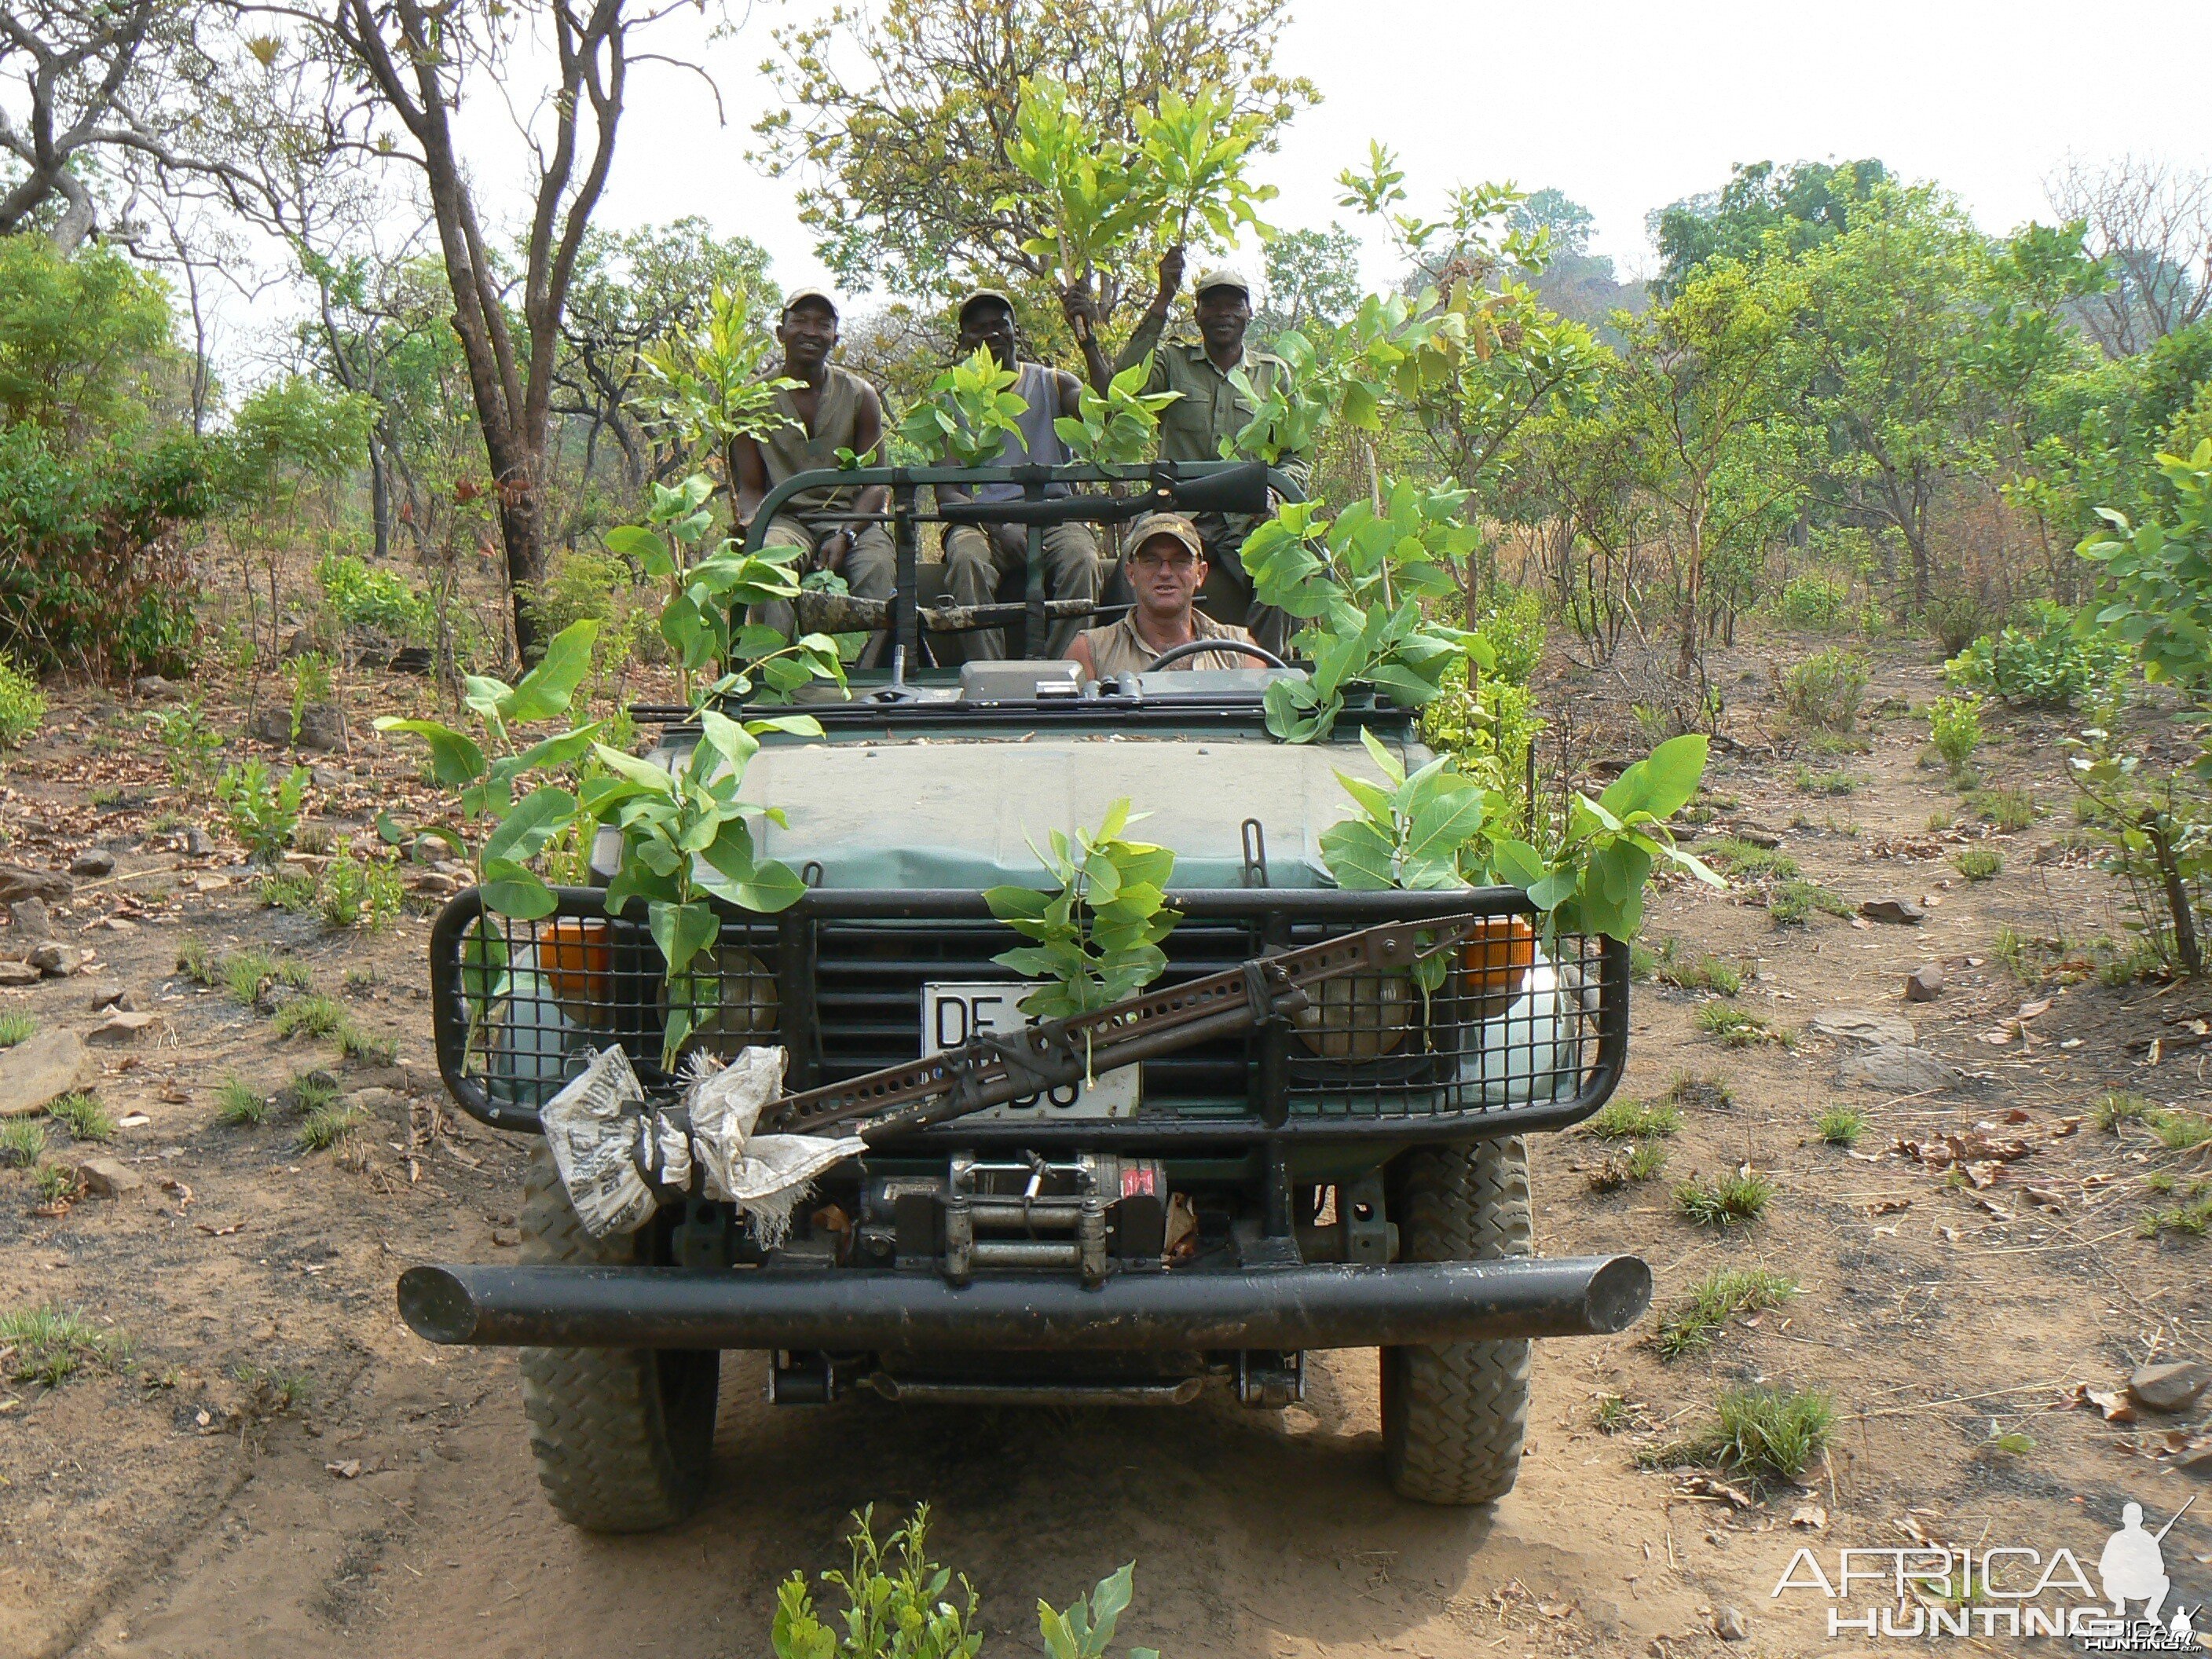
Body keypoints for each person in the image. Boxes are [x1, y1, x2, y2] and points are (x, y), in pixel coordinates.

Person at [1063, 250, 1302, 654]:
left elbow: (1296, 457)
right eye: (1212, 304)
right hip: (1178, 512)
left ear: (1248, 313)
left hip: (1246, 519)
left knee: (1289, 565)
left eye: (1233, 304)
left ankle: (1265, 671)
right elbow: (1121, 391)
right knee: (1133, 565)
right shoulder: (1175, 361)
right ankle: (1122, 675)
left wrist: (1274, 493)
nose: (1223, 313)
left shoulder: (1273, 375)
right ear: (1198, 314)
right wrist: (1161, 299)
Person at [936, 290, 1100, 660]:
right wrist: (997, 526)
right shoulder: (951, 400)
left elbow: (1104, 410)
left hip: (1054, 516)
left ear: (1015, 331)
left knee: (1082, 558)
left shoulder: (1054, 383)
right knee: (966, 560)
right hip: (982, 523)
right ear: (964, 340)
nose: (991, 335)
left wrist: (1088, 342)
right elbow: (947, 493)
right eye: (978, 329)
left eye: (999, 325)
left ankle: (1063, 679)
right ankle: (988, 678)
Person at [730, 288, 895, 648]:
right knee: (767, 565)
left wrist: (847, 533)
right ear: (781, 332)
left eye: (822, 324)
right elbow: (751, 487)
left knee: (878, 566)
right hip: (786, 519)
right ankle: (776, 680)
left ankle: (867, 683)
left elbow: (876, 484)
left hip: (853, 518)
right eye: (800, 321)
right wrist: (751, 523)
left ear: (835, 338)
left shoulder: (860, 395)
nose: (811, 331)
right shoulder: (750, 402)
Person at [1068, 513, 1262, 681]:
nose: (1165, 572)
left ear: (1200, 574)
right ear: (1131, 574)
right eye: (1151, 560)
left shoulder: (1240, 652)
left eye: (1180, 561)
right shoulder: (1091, 652)